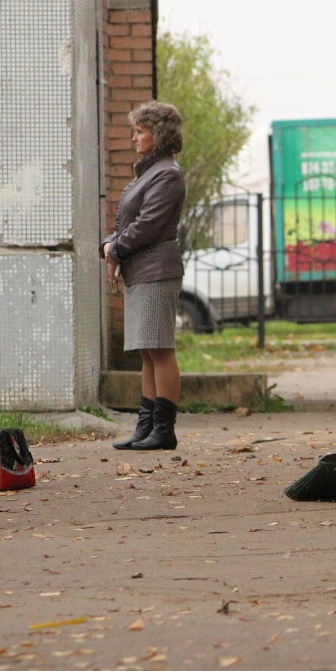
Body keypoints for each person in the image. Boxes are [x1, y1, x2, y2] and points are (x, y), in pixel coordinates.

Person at [105, 101, 187, 452]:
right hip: (143, 270)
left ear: (160, 135)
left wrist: (116, 249)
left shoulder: (167, 173)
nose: (134, 138)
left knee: (160, 349)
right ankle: (146, 427)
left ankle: (163, 430)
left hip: (156, 269)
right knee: (147, 351)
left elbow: (148, 224)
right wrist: (110, 245)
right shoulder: (149, 172)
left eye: (140, 131)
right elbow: (128, 224)